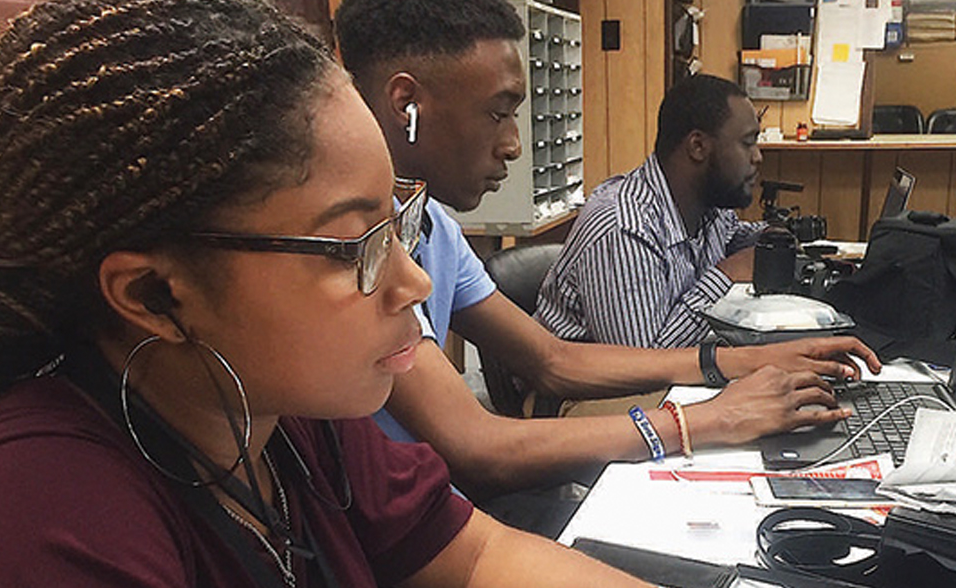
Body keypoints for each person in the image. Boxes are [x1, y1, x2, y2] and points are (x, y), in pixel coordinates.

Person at [0, 2, 953, 588]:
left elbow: (476, 556)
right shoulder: (33, 522)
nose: (412, 283)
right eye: (356, 244)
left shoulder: (277, 413)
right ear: (151, 295)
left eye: (399, 229)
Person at [333, 0, 881, 502]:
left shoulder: (434, 227)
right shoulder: (348, 252)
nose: (513, 144)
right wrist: (704, 420)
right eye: (498, 113)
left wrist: (745, 360)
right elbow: (480, 448)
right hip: (406, 554)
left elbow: (553, 359)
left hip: (436, 520)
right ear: (406, 103)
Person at [535, 74, 768, 349]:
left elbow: (731, 235)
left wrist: (772, 237)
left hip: (646, 383)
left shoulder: (707, 206)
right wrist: (727, 275)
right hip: (581, 390)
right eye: (747, 142)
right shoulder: (624, 226)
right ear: (698, 147)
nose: (757, 156)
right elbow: (644, 363)